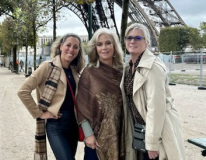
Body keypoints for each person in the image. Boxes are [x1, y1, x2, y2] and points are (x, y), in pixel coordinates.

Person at [121, 23, 185, 160]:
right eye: (129, 37)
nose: (132, 41)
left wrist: (152, 143)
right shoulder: (128, 67)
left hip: (158, 131)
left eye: (138, 38)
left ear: (147, 42)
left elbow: (156, 108)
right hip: (142, 129)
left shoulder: (152, 68)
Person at [17, 33, 85, 160]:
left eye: (76, 47)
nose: (71, 49)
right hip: (56, 126)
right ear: (60, 46)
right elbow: (23, 91)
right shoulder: (47, 67)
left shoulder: (75, 71)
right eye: (68, 45)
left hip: (73, 126)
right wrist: (39, 113)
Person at [76, 28, 125, 160]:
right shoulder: (89, 73)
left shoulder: (124, 72)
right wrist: (88, 134)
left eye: (108, 43)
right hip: (96, 138)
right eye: (99, 44)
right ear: (95, 48)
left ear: (114, 46)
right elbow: (81, 107)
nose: (104, 47)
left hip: (122, 135)